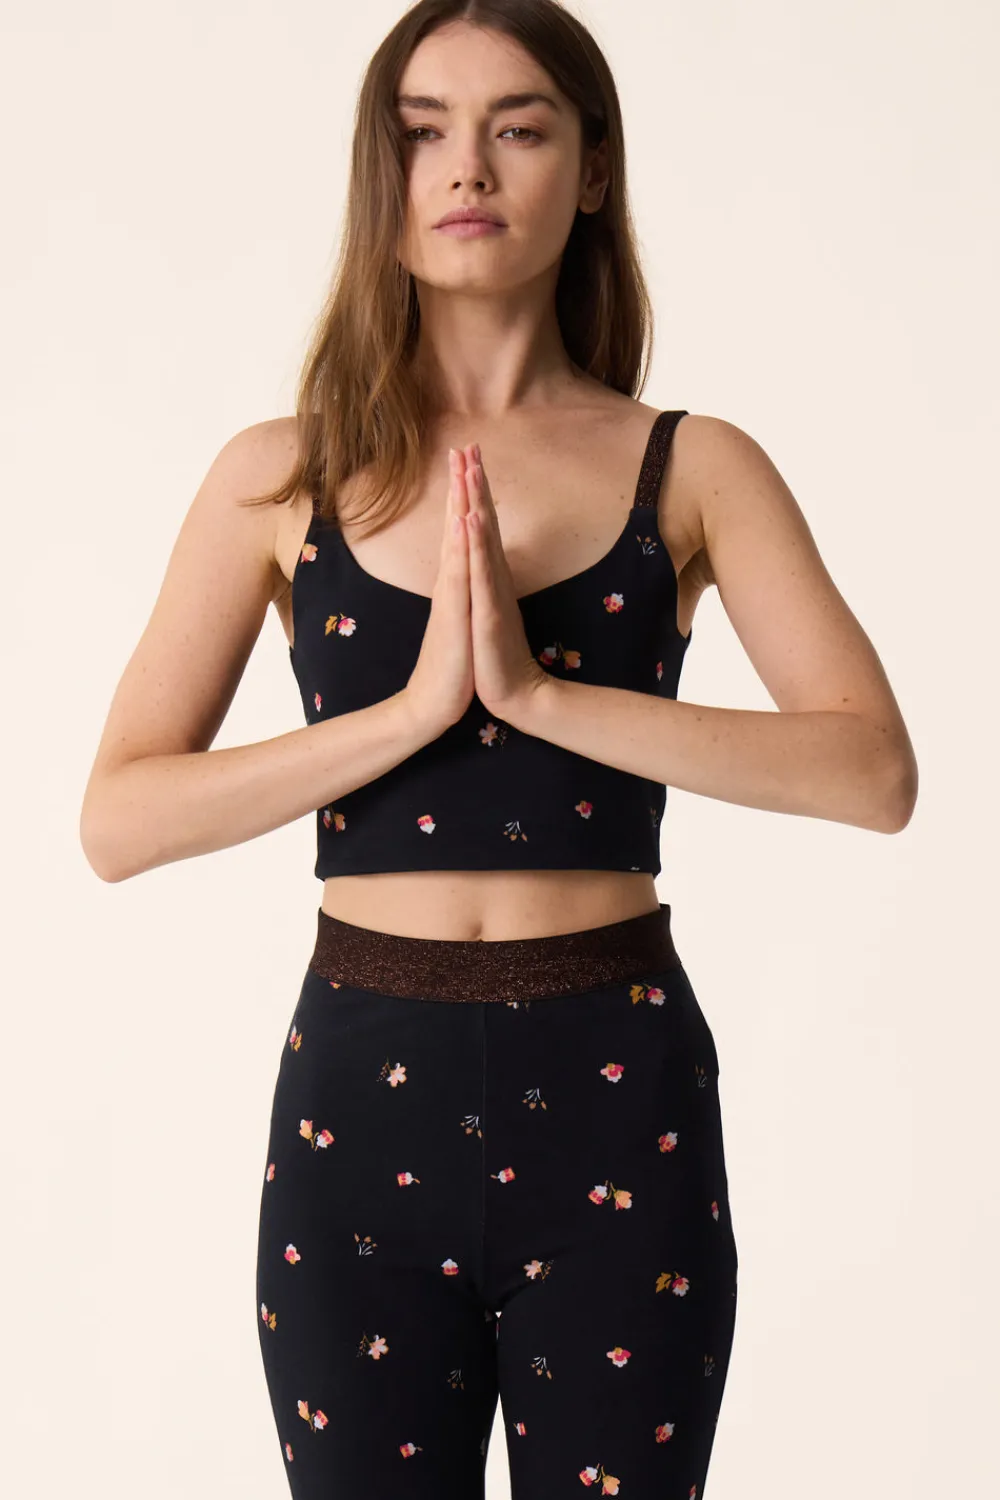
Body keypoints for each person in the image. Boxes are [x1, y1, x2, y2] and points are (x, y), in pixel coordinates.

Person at [79, 2, 918, 1496]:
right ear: (381, 172)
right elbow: (119, 821)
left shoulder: (693, 465)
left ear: (590, 169)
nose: (468, 167)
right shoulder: (282, 474)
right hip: (358, 1101)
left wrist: (538, 697)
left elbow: (873, 773)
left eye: (519, 127)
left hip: (617, 1088)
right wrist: (406, 718)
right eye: (424, 132)